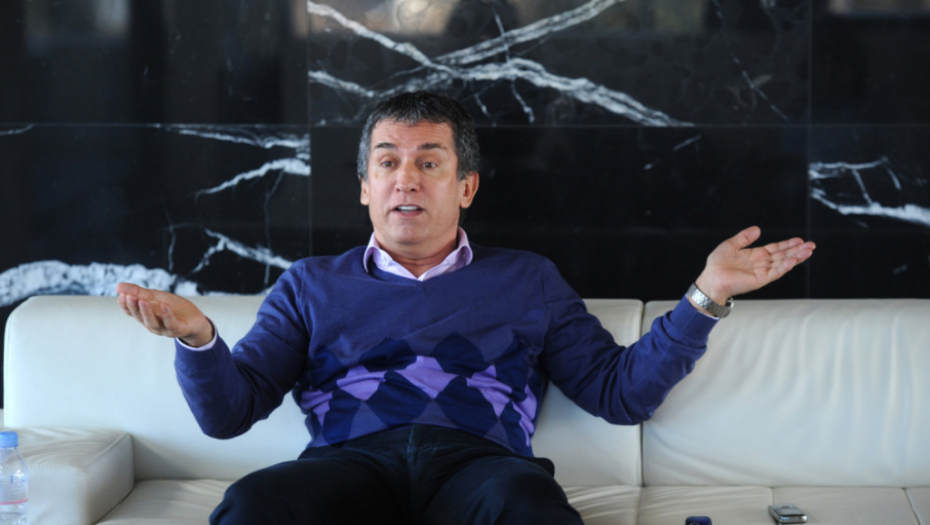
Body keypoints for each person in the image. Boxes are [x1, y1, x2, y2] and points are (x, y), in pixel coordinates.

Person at [116, 91, 815, 524]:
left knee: (530, 508)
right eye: (387, 162)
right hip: (348, 465)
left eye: (429, 162)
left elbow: (619, 392)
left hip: (480, 466)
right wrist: (198, 338)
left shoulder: (528, 279)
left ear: (467, 186)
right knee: (253, 505)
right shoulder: (309, 284)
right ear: (364, 186)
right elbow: (229, 413)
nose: (406, 180)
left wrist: (706, 294)